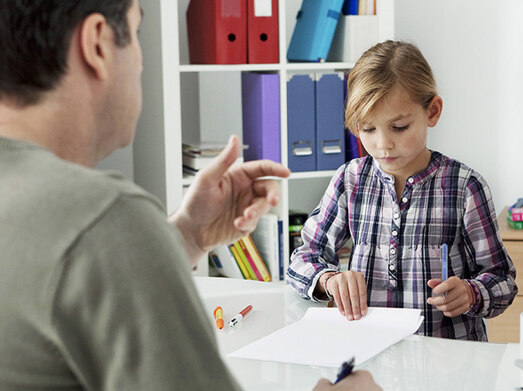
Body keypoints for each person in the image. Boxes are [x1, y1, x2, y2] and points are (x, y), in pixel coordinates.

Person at [0, 0, 379, 390]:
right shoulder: (104, 218)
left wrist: (186, 235)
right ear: (97, 45)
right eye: (136, 33)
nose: (143, 64)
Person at [286, 40, 517, 340]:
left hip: (449, 367)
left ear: (432, 112)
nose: (383, 144)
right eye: (368, 129)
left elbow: (502, 280)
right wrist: (329, 280)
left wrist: (472, 293)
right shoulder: (349, 180)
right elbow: (303, 258)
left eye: (399, 127)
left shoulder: (464, 187)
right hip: (370, 359)